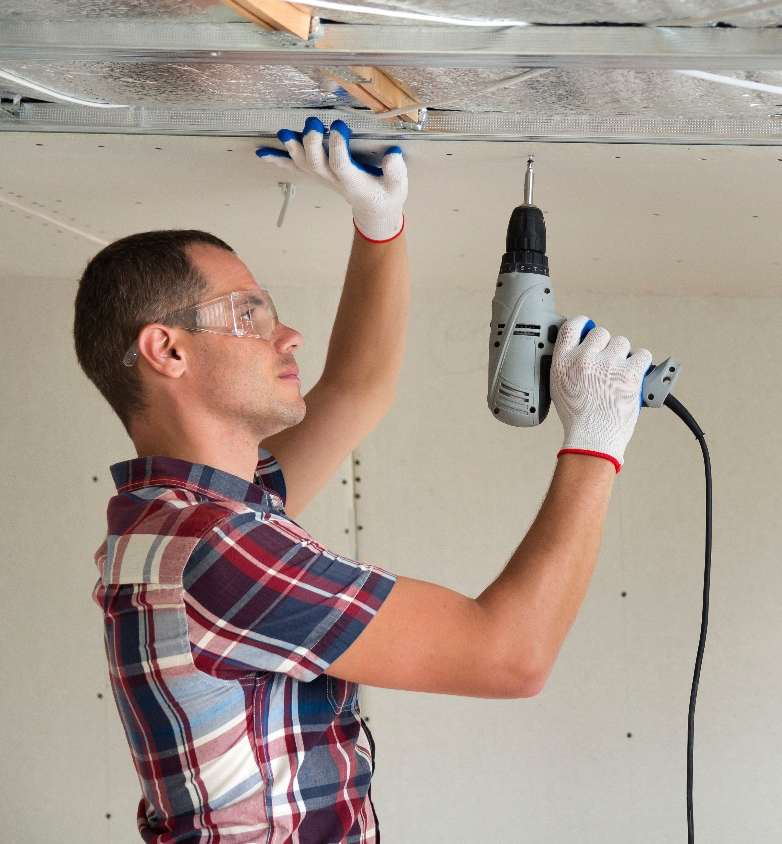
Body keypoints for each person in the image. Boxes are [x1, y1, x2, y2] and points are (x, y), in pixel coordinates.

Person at [73, 118, 652, 843]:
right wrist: (599, 440)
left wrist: (380, 225)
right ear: (167, 351)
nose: (287, 336)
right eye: (249, 315)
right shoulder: (214, 549)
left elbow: (355, 390)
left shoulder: (182, 520)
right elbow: (512, 657)